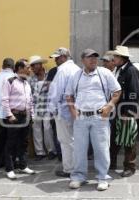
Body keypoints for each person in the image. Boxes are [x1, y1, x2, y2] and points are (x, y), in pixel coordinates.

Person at [66, 49, 121, 191]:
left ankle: (102, 177)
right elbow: (69, 95)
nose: (93, 60)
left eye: (95, 57)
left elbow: (117, 91)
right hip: (81, 117)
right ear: (82, 59)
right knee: (79, 149)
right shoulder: (76, 76)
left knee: (101, 149)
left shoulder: (105, 74)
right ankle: (78, 177)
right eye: (90, 58)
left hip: (99, 117)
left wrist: (109, 106)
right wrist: (73, 111)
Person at [48, 47, 80, 177]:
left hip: (63, 111)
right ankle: (76, 167)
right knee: (74, 140)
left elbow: (56, 92)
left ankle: (69, 169)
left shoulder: (63, 71)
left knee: (66, 141)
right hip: (75, 110)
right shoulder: (77, 69)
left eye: (57, 57)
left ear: (64, 57)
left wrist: (52, 109)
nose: (55, 60)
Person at [110, 46, 139, 178]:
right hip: (116, 110)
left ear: (122, 58)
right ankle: (111, 162)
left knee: (129, 140)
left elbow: (134, 93)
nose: (113, 58)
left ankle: (130, 167)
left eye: (115, 56)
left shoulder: (131, 71)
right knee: (115, 137)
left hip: (126, 111)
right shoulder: (118, 69)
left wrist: (128, 112)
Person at [1, 59, 35, 179]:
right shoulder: (10, 81)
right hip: (14, 117)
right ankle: (9, 169)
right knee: (11, 143)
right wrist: (9, 115)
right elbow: (4, 100)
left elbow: (30, 100)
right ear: (20, 68)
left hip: (25, 116)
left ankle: (23, 165)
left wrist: (32, 114)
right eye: (28, 67)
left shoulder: (26, 83)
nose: (30, 69)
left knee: (24, 142)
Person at [29, 56, 57, 161]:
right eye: (31, 66)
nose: (32, 68)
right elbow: (30, 94)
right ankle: (39, 152)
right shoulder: (31, 79)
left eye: (33, 66)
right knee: (36, 129)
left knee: (47, 128)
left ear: (39, 65)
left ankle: (51, 151)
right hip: (36, 107)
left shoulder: (50, 75)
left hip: (48, 107)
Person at [0, 58, 15, 168]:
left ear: (3, 65)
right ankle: (9, 162)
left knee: (0, 138)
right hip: (11, 113)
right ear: (13, 66)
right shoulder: (15, 77)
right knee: (11, 138)